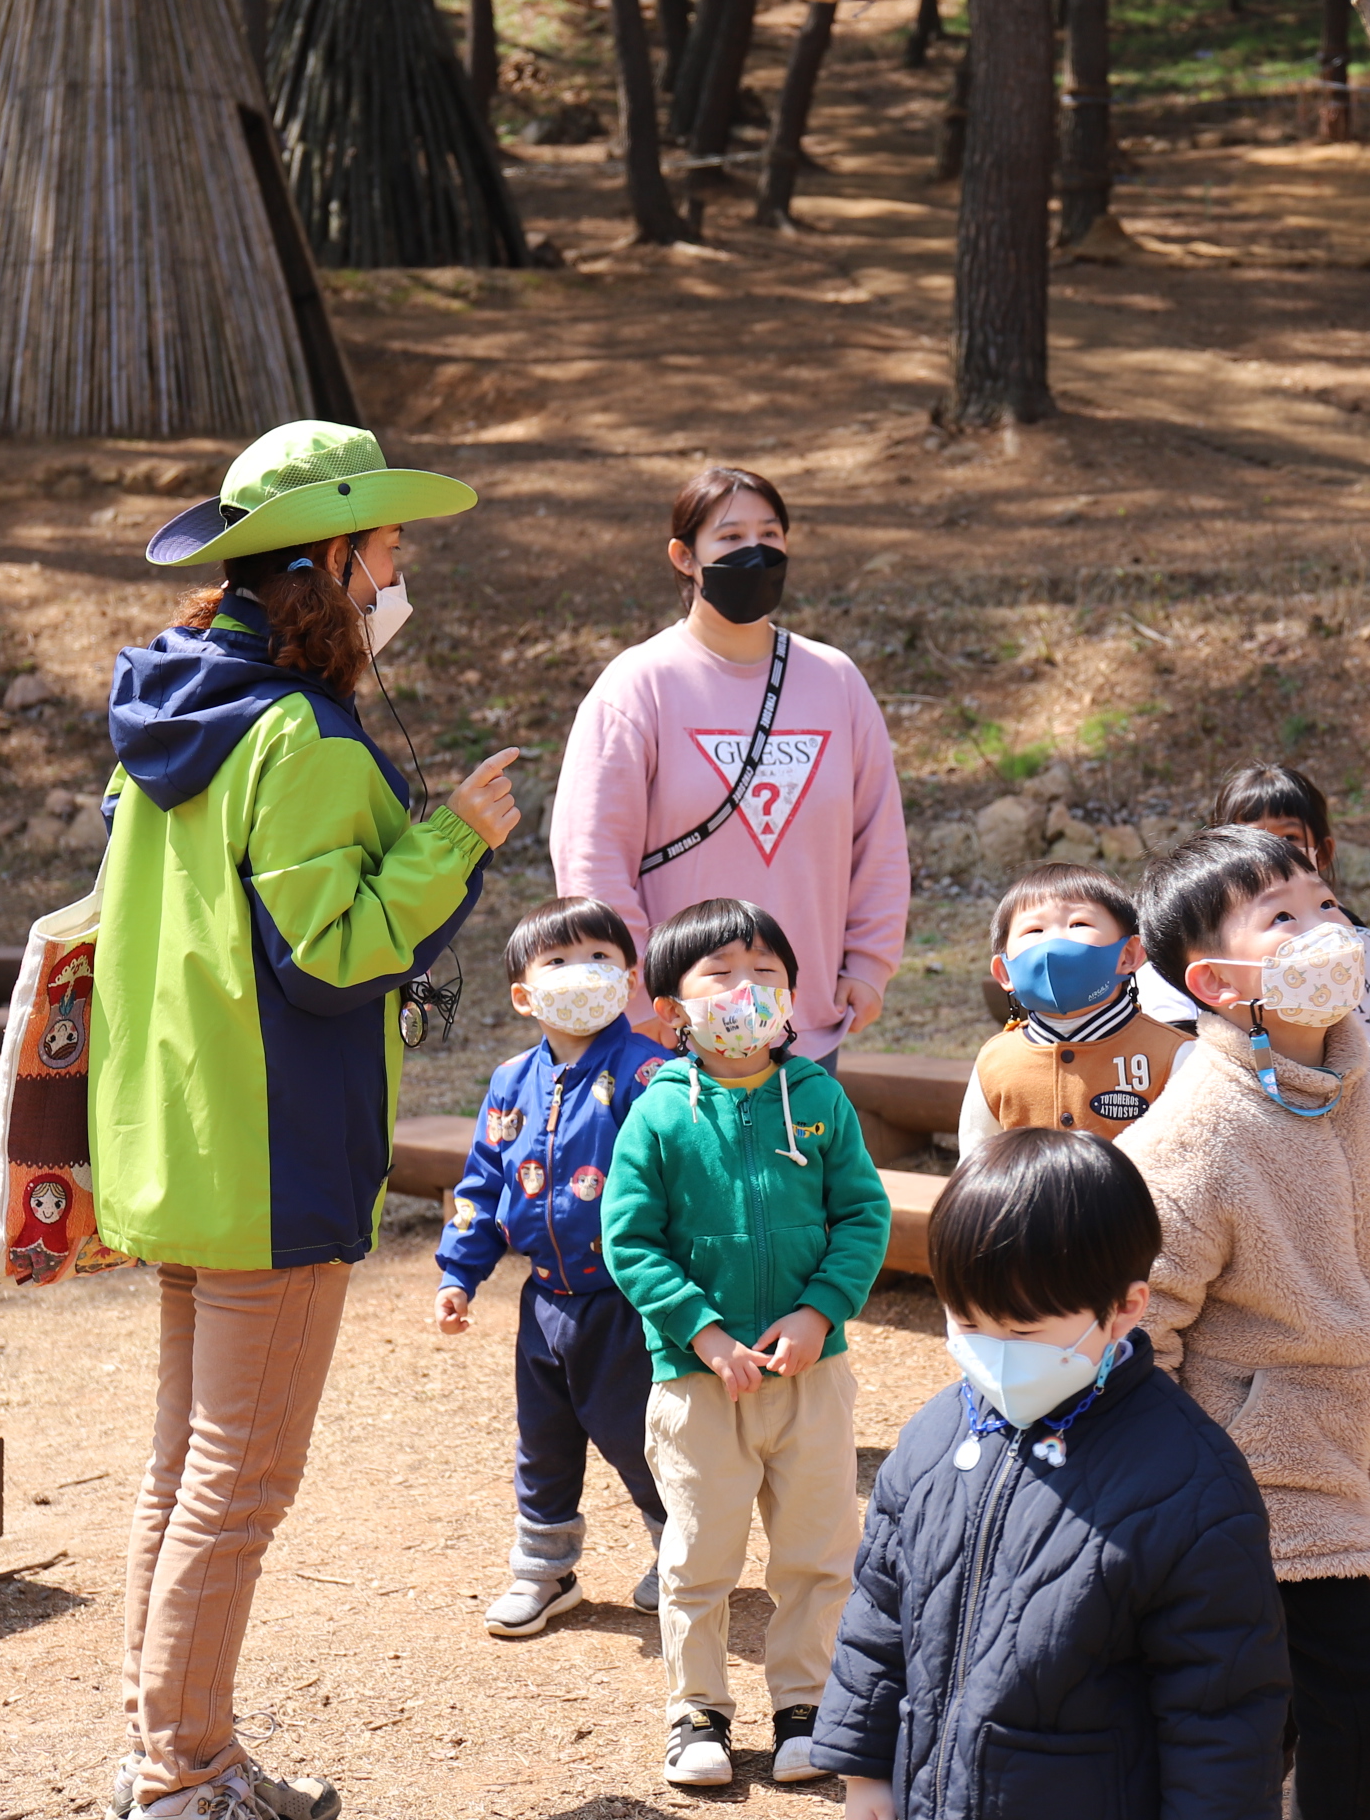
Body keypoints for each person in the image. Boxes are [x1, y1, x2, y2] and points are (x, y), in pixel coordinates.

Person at [98, 421, 523, 1820]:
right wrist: (454, 830)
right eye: (389, 551)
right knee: (239, 1481)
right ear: (332, 560)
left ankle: (166, 1754)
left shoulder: (173, 713)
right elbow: (335, 951)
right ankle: (183, 1777)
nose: (400, 575)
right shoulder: (307, 741)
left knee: (186, 1471)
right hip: (273, 1159)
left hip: (176, 1145)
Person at [815, 1128, 1291, 1820]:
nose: (990, 1353)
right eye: (966, 1323)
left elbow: (1221, 1712)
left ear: (1126, 1307)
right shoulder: (934, 1439)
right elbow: (879, 1618)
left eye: (1023, 1333)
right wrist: (863, 1770)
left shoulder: (1190, 1484)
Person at [1117, 825, 1370, 1820]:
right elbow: (1138, 1325)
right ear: (1213, 982)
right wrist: (1186, 1484)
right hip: (1256, 1486)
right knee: (1365, 1702)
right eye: (1280, 916)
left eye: (1325, 903)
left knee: (1269, 1720)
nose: (1320, 928)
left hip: (1360, 1450)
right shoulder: (1193, 1132)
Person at [603, 897, 897, 1788]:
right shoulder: (658, 1113)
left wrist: (819, 1314)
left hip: (813, 1374)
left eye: (766, 975)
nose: (747, 991)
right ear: (670, 1011)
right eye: (721, 976)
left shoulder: (818, 1097)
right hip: (699, 1382)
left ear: (792, 1000)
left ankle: (807, 1703)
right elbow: (630, 1238)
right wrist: (702, 1331)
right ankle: (697, 1712)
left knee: (816, 1548)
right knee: (699, 1555)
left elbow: (863, 1214)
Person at [552, 465, 911, 1062]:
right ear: (685, 557)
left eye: (770, 535)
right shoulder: (639, 686)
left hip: (802, 1021)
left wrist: (870, 963)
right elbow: (591, 858)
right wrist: (640, 1001)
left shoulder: (835, 680)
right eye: (730, 537)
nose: (755, 552)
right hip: (673, 1029)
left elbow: (878, 837)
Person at [434, 896, 680, 1638]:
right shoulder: (512, 1081)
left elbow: (681, 1179)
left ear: (631, 977)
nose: (584, 974)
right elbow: (482, 1181)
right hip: (543, 1302)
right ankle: (545, 1571)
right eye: (560, 962)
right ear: (523, 994)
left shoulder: (649, 1071)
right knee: (542, 1439)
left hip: (625, 1300)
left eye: (602, 958)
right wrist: (458, 1274)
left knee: (640, 1434)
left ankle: (682, 1553)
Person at [1136, 764, 1370, 1067]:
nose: (1271, 853)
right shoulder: (1169, 973)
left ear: (1324, 852)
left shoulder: (1361, 946)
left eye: (1288, 837)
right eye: (1252, 839)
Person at [956, 861, 1195, 1158]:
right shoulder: (994, 1062)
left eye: (1078, 924)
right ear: (1005, 973)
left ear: (1129, 955)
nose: (1054, 942)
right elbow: (975, 1163)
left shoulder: (1176, 1056)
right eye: (1034, 929)